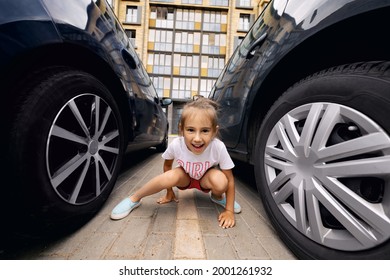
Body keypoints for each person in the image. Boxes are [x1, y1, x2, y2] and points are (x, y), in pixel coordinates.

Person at [110, 97, 241, 228]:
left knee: (221, 181)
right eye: (190, 130)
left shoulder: (218, 147)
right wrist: (169, 192)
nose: (197, 138)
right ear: (181, 129)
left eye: (205, 131)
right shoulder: (176, 144)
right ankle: (134, 199)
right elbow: (167, 166)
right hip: (184, 178)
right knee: (169, 176)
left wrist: (229, 211)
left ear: (214, 131)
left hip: (206, 179)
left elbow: (230, 180)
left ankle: (218, 197)